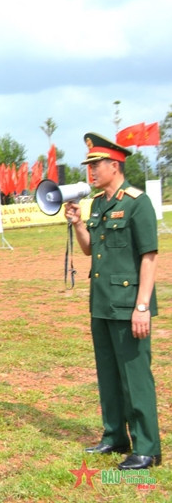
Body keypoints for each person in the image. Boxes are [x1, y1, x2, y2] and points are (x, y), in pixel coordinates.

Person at [65, 133, 161, 471]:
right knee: (108, 374)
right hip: (102, 303)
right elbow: (90, 248)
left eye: (95, 165)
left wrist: (142, 306)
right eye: (89, 165)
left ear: (115, 166)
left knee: (135, 376)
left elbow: (149, 256)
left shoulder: (137, 202)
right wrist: (78, 223)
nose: (90, 171)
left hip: (129, 304)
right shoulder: (101, 203)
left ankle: (147, 447)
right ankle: (115, 436)